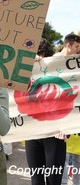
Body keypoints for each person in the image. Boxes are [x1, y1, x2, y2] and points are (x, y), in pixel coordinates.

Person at [24, 37, 67, 185]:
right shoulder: (24, 73)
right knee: (36, 180)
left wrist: (66, 127)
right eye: (36, 54)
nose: (39, 58)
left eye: (42, 54)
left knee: (53, 180)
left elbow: (69, 100)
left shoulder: (59, 72)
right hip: (32, 134)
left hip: (55, 134)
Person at [56, 34, 80, 185]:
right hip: (59, 122)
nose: (79, 51)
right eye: (77, 47)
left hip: (74, 118)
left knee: (75, 165)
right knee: (62, 165)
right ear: (68, 45)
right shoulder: (52, 61)